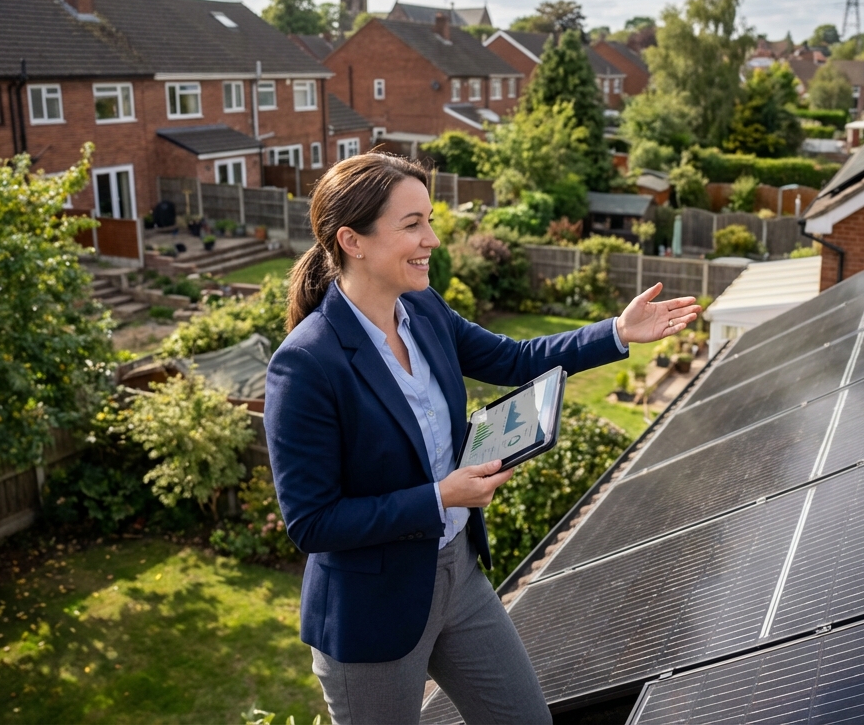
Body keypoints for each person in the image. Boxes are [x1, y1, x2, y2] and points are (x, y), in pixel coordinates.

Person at [264, 153, 701, 725]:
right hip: (371, 613)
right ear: (353, 240)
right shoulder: (305, 364)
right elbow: (313, 523)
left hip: (457, 575)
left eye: (429, 219)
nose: (434, 239)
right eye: (413, 224)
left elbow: (514, 358)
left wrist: (617, 332)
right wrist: (441, 496)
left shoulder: (422, 308)